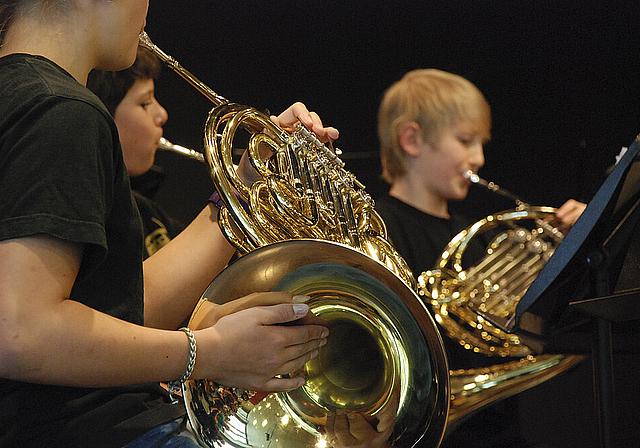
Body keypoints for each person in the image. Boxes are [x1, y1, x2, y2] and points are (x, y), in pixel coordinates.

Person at [0, 1, 339, 447]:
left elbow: (118, 312)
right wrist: (209, 352)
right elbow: (22, 333)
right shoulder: (61, 108)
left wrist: (246, 187)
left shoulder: (25, 96)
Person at [374, 69, 586, 447]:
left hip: (498, 426)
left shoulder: (475, 238)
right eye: (466, 141)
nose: (479, 157)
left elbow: (522, 332)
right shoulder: (379, 227)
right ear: (412, 139)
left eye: (481, 143)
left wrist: (572, 249)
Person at [87, 45, 184, 258]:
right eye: (145, 102)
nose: (162, 114)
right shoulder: (92, 215)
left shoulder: (148, 213)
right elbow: (145, 289)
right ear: (102, 117)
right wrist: (229, 200)